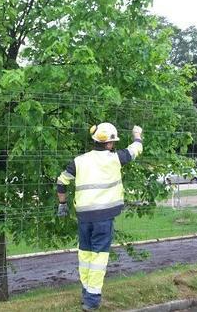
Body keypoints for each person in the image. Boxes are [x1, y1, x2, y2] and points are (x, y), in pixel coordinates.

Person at [56, 122, 143, 311]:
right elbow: (136, 149)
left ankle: (86, 291)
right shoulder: (116, 159)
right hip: (104, 218)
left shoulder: (79, 161)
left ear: (94, 140)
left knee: (85, 254)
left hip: (84, 217)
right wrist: (137, 134)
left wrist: (62, 204)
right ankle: (92, 300)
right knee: (98, 258)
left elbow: (61, 181)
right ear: (110, 143)